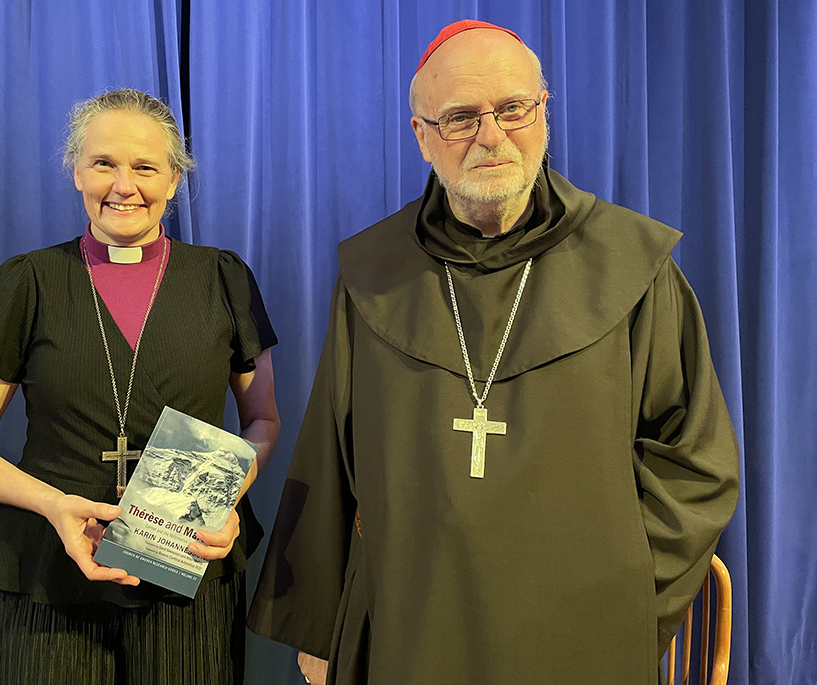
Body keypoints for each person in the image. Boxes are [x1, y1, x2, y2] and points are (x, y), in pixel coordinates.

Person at [247, 20, 739, 685]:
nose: (492, 135)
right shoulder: (373, 272)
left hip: (585, 630)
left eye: (512, 108)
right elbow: (330, 456)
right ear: (422, 136)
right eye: (460, 118)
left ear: (543, 110)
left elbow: (697, 460)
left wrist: (623, 596)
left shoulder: (633, 267)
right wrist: (321, 624)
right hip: (412, 622)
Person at [0, 88, 280, 685]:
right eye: (104, 164)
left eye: (146, 167)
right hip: (44, 573)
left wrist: (226, 498)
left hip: (185, 566)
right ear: (77, 172)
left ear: (174, 179)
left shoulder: (224, 279)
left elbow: (263, 423)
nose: (125, 186)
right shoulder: (27, 282)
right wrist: (54, 503)